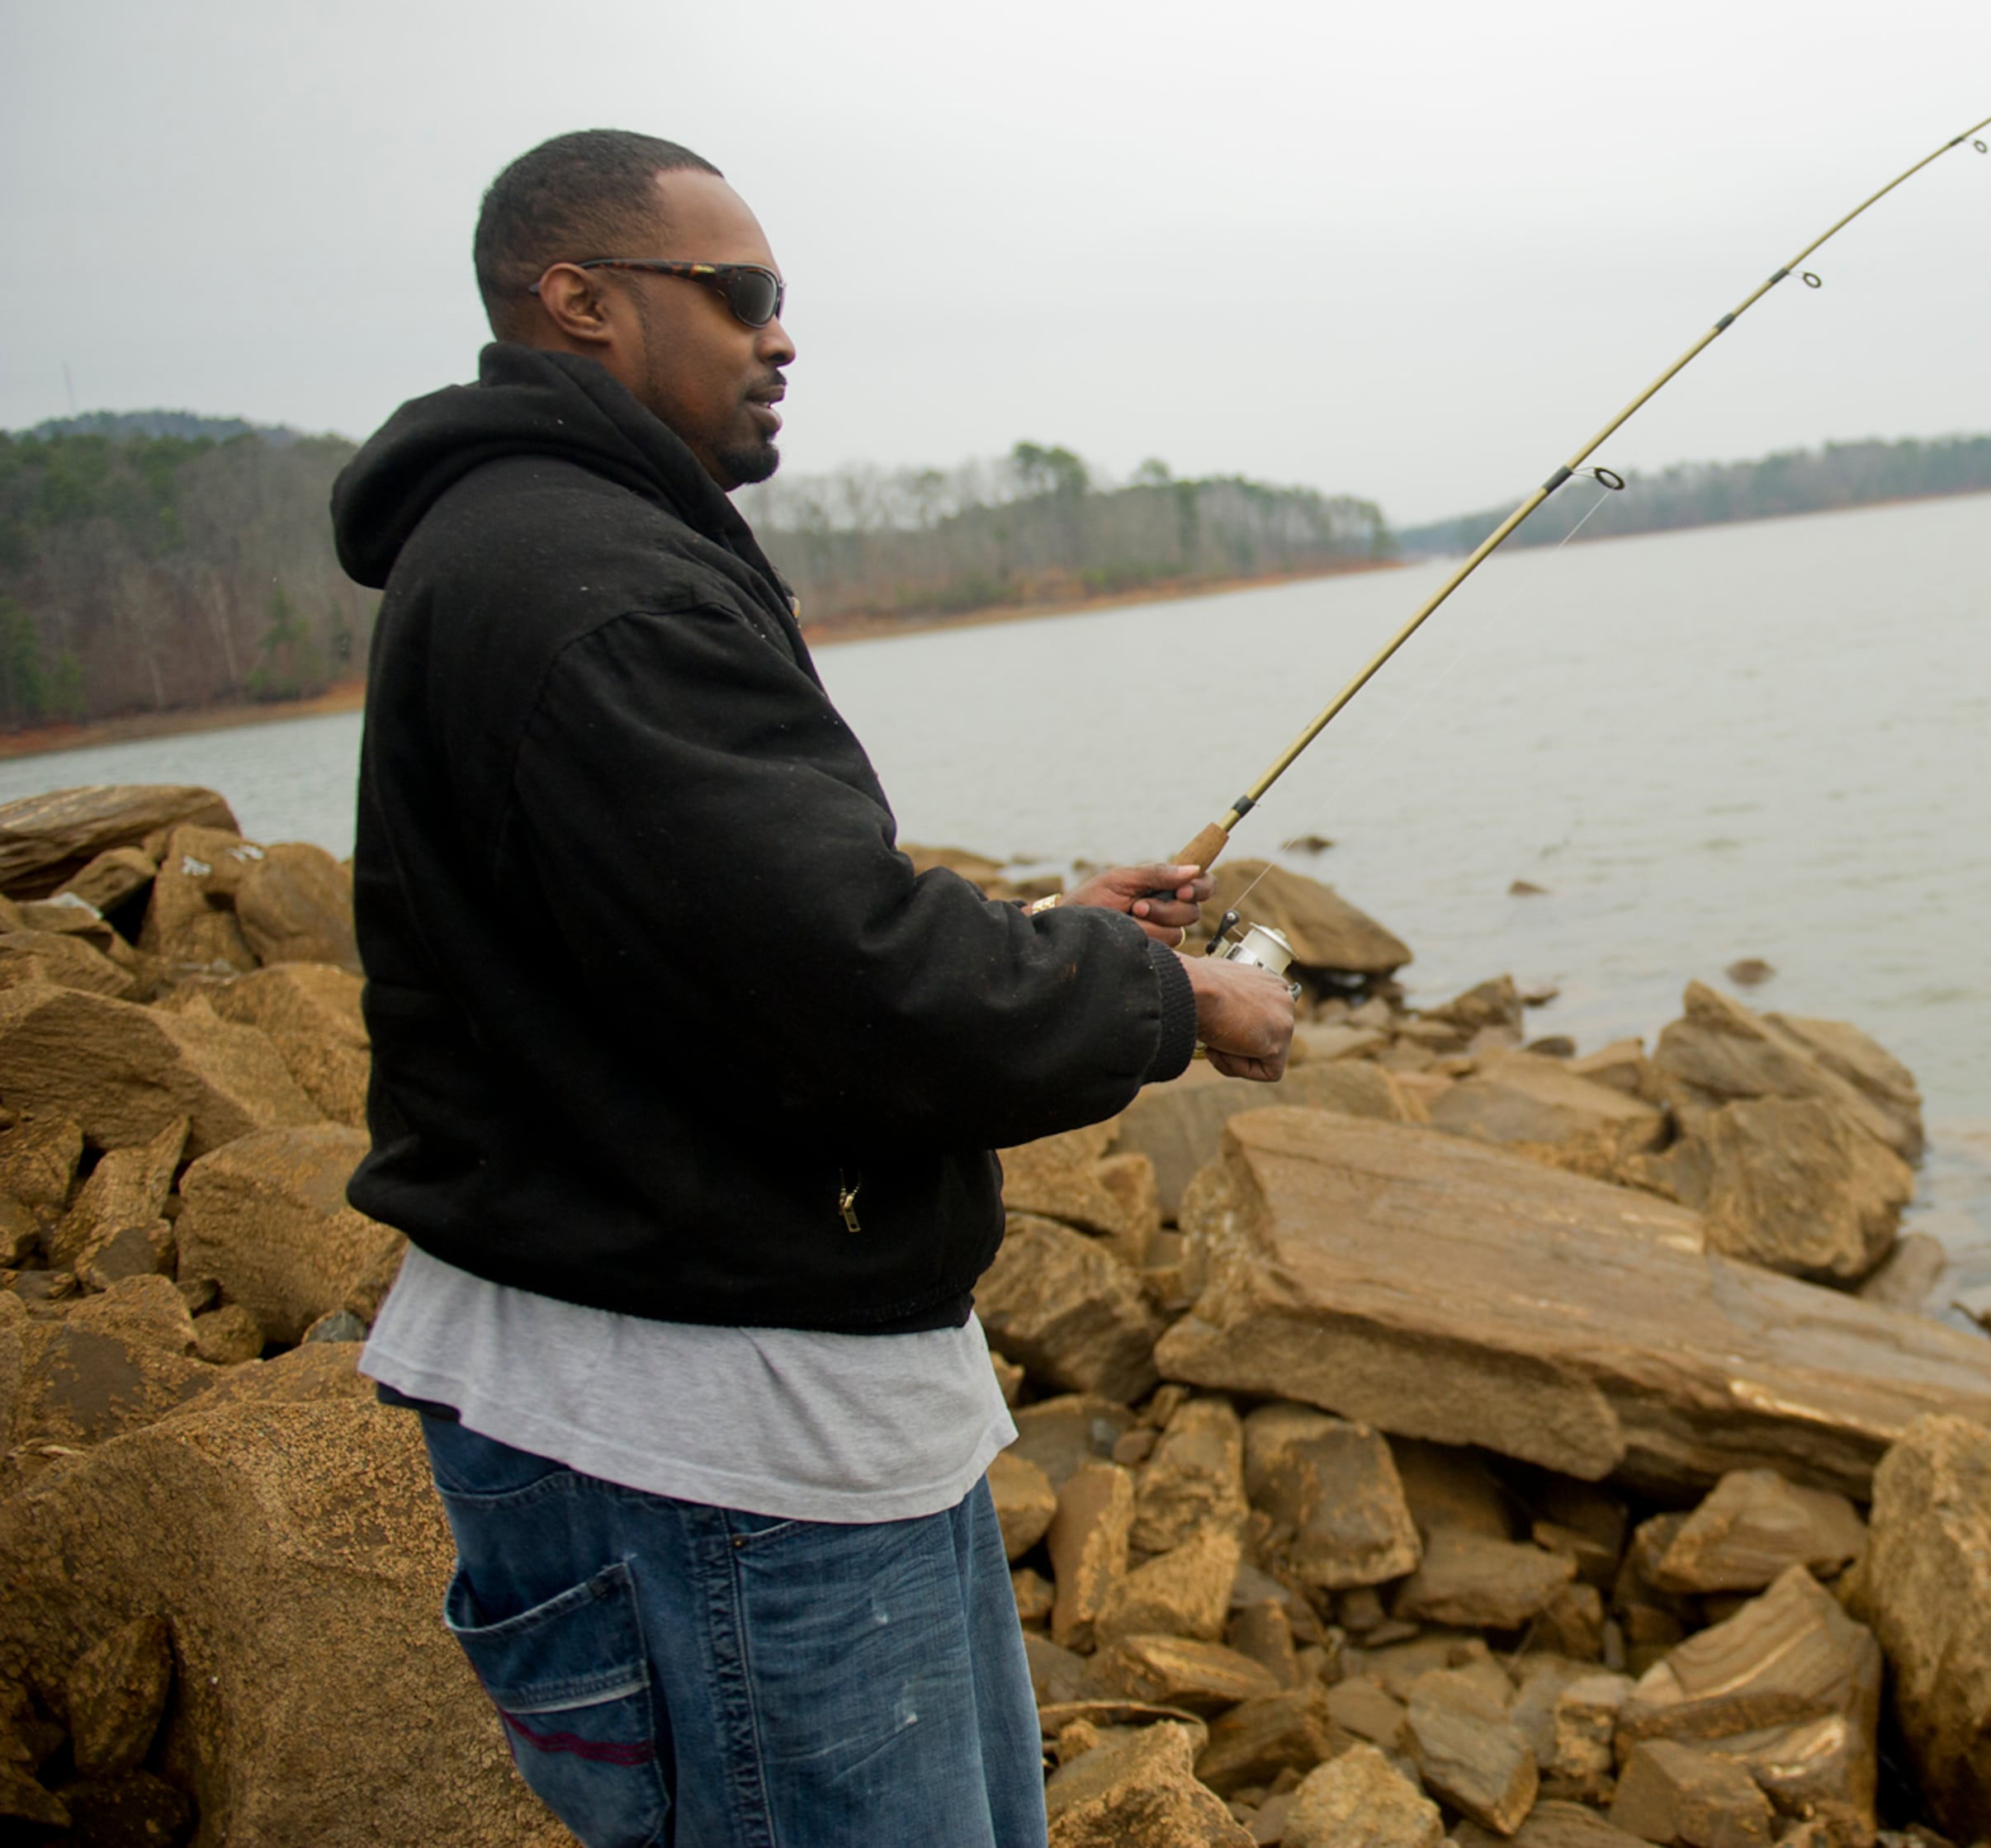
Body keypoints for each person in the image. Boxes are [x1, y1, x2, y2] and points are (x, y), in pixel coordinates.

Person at [329, 128, 1297, 1847]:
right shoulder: (591, 586)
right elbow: (858, 1002)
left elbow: (712, 949)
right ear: (581, 302)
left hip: (725, 1417)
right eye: (742, 295)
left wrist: (1048, 925)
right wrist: (1178, 1008)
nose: (780, 339)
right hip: (715, 1460)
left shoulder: (556, 553)